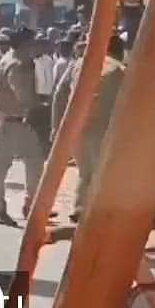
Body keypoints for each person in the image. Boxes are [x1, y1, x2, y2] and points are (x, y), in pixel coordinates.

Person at [53, 35, 126, 222]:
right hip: (100, 130)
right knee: (102, 174)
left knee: (86, 172)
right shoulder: (119, 70)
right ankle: (95, 214)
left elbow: (59, 94)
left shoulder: (78, 64)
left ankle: (79, 208)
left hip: (75, 128)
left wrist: (57, 126)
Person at [0, 29, 47, 226]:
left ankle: (7, 207)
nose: (36, 46)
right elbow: (24, 97)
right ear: (25, 45)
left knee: (4, 166)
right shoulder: (18, 65)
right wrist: (42, 106)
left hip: (6, 120)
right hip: (16, 121)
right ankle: (23, 206)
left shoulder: (7, 58)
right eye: (33, 43)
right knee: (30, 163)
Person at [30, 35, 56, 150]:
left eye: (41, 45)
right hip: (36, 96)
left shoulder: (48, 60)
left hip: (48, 95)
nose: (39, 48)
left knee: (46, 124)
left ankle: (44, 148)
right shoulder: (30, 61)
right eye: (37, 45)